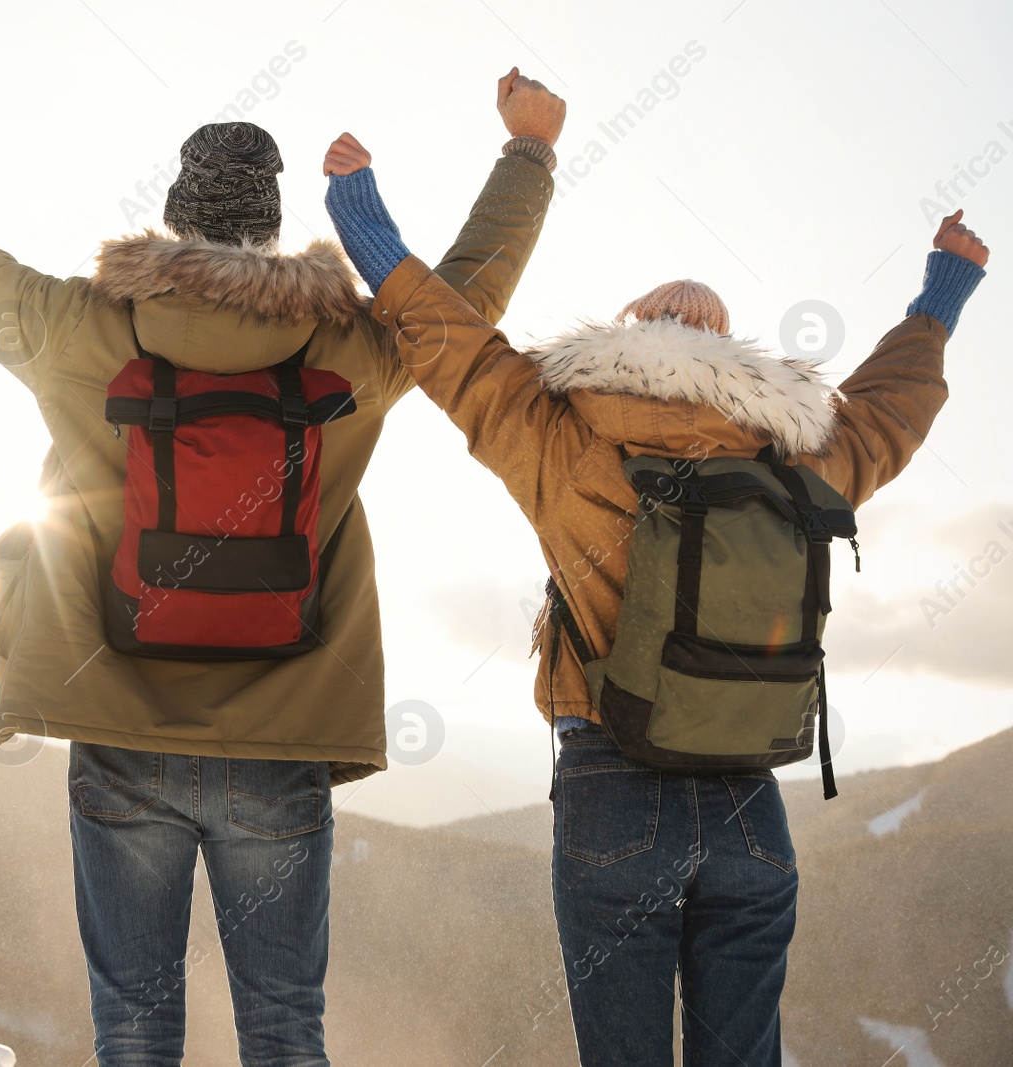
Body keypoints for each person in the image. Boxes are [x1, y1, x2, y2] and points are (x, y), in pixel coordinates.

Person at [0, 60, 564, 1066]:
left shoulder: (78, 327)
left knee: (133, 1020)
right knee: (285, 1021)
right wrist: (528, 151)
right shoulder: (352, 348)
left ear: (171, 220)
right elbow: (463, 303)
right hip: (284, 732)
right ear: (268, 226)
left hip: (122, 731)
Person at [322, 136, 987, 1065]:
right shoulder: (797, 460)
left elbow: (456, 351)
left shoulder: (567, 438)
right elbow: (889, 412)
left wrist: (363, 220)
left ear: (626, 334)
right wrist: (941, 294)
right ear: (733, 352)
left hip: (612, 785)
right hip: (753, 802)